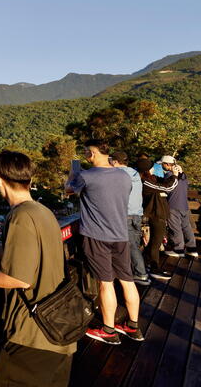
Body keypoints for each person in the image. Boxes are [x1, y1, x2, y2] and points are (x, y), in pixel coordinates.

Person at [0, 151, 75, 386]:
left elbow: (20, 278)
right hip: (57, 330)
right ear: (29, 181)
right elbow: (21, 257)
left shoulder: (20, 217)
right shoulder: (42, 212)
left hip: (32, 336)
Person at [66, 139, 142, 345]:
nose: (86, 156)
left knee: (106, 283)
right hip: (120, 235)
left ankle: (108, 330)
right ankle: (133, 326)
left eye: (87, 152)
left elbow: (68, 190)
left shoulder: (86, 176)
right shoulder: (124, 176)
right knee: (128, 280)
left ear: (93, 153)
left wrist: (72, 175)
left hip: (97, 236)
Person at [109, 152, 150, 286]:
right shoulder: (134, 173)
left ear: (115, 161)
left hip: (125, 214)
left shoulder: (117, 174)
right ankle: (136, 270)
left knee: (132, 247)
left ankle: (141, 274)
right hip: (137, 214)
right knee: (134, 245)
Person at [137, 158, 178, 280]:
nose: (154, 168)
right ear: (147, 169)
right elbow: (168, 187)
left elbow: (166, 182)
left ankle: (148, 264)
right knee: (156, 242)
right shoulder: (145, 181)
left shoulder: (152, 178)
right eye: (152, 166)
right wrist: (174, 176)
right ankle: (154, 268)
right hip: (155, 214)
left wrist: (175, 174)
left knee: (155, 242)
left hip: (160, 213)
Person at [161, 156, 198, 258]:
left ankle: (179, 250)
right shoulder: (184, 176)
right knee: (187, 228)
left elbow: (167, 189)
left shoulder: (169, 176)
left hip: (173, 205)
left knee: (175, 228)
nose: (161, 166)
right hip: (184, 205)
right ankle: (192, 249)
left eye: (162, 164)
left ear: (168, 165)